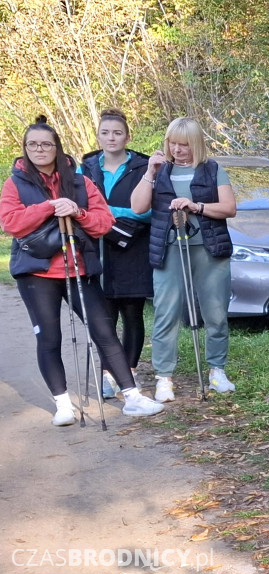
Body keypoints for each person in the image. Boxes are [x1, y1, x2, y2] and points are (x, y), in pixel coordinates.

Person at [0, 116, 165, 425]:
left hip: (78, 267)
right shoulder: (15, 182)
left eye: (46, 144)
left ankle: (131, 397)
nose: (39, 149)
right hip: (37, 272)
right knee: (49, 337)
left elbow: (103, 223)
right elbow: (10, 222)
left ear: (56, 147)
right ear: (24, 148)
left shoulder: (79, 181)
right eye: (32, 144)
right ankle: (63, 405)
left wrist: (77, 211)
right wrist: (49, 206)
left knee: (103, 330)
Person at [130, 117, 238, 403]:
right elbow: (138, 207)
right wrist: (150, 173)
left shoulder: (212, 169)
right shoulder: (158, 170)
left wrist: (196, 206)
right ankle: (164, 377)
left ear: (197, 144)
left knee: (215, 312)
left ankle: (217, 370)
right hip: (168, 249)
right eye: (173, 144)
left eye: (184, 145)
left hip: (209, 249)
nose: (178, 150)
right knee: (166, 313)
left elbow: (229, 208)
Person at [79, 108, 154, 399]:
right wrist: (103, 217)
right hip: (96, 250)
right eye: (106, 132)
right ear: (98, 136)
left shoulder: (144, 166)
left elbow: (149, 211)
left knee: (132, 315)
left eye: (117, 132)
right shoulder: (84, 167)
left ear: (127, 136)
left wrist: (109, 213)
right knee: (104, 318)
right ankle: (110, 375)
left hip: (133, 249)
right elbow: (78, 205)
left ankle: (130, 372)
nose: (112, 138)